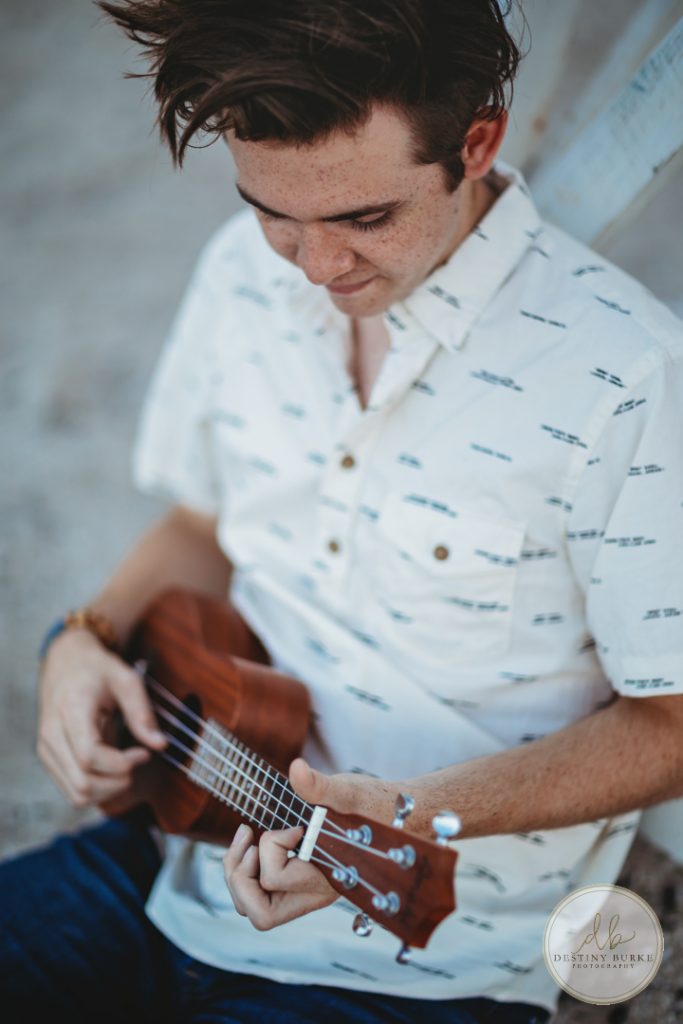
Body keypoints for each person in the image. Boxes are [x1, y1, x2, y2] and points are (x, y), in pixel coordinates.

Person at [2, 1, 682, 1021]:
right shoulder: (239, 275)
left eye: (364, 219)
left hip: (422, 956)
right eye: (273, 212)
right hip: (168, 853)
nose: (316, 268)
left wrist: (415, 813)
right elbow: (202, 523)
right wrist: (79, 640)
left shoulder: (625, 375)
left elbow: (669, 722)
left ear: (476, 143)